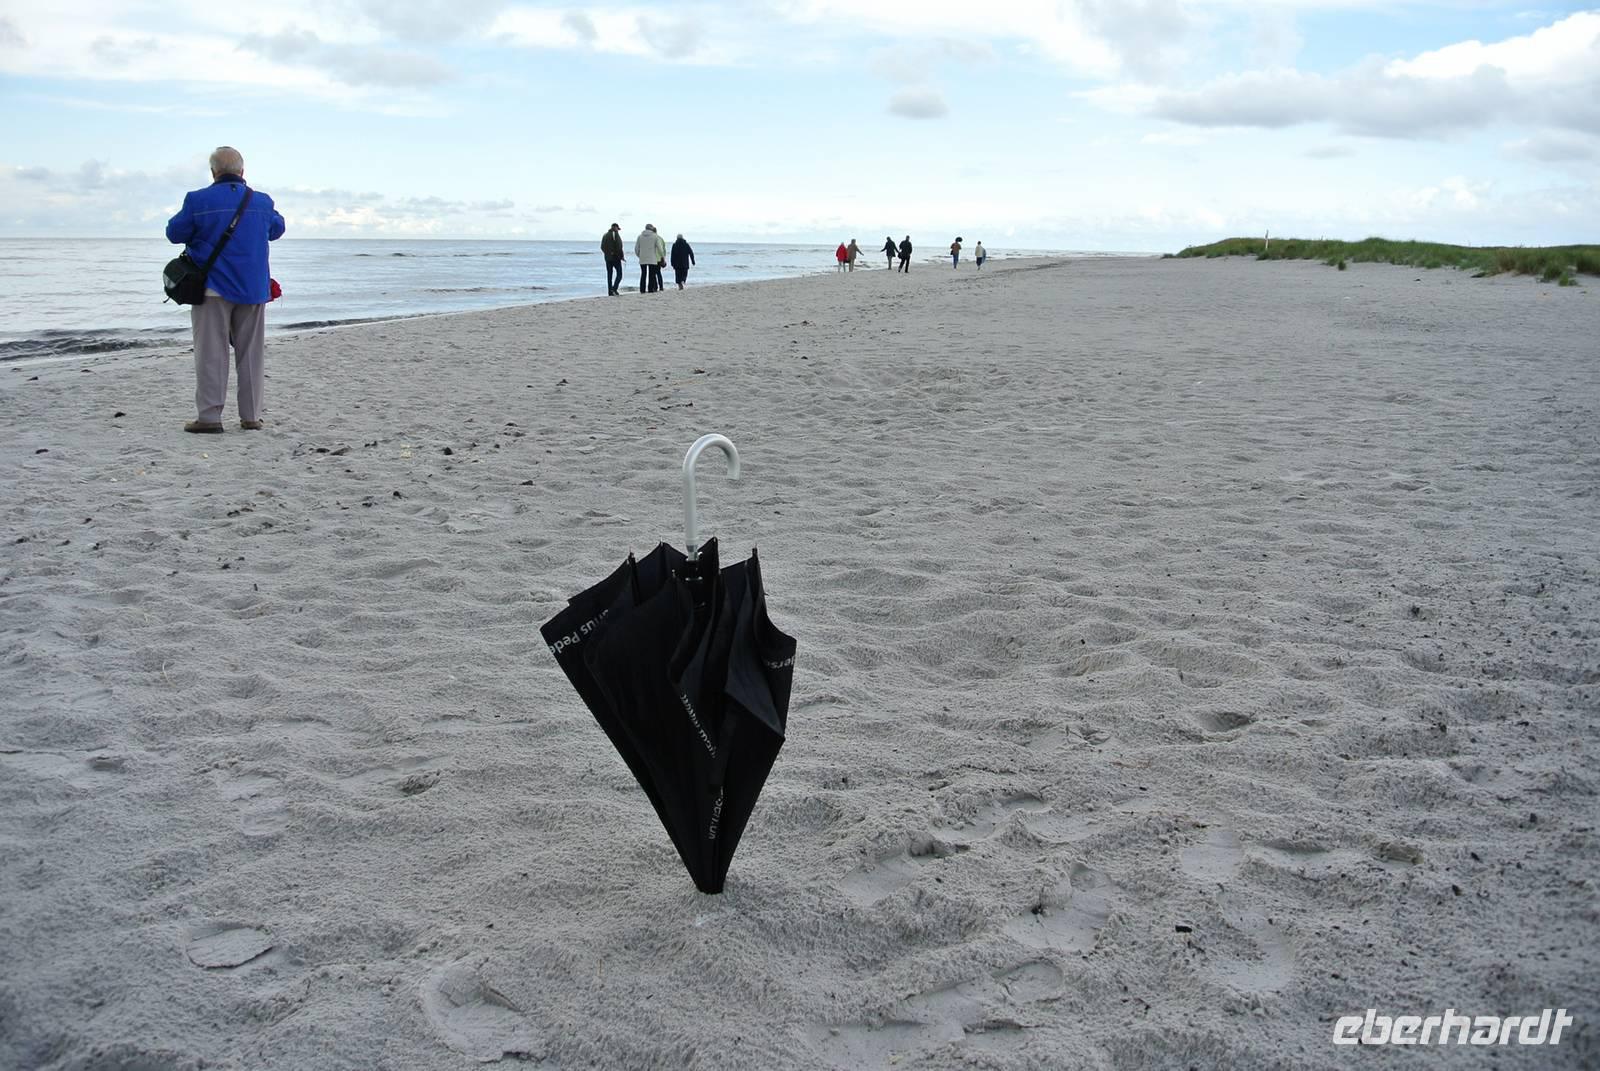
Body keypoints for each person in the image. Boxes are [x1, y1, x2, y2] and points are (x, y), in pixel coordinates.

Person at [165, 146, 285, 433]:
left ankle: (210, 417)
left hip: (212, 288)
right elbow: (277, 229)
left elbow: (174, 233)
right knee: (251, 354)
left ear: (213, 172)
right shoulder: (262, 201)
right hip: (252, 288)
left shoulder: (197, 200)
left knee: (211, 354)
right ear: (242, 171)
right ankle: (251, 416)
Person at [601, 223, 625, 295]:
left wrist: (607, 253)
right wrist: (621, 256)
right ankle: (614, 289)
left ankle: (610, 291)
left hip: (607, 258)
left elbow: (602, 247)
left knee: (609, 275)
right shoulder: (615, 234)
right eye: (617, 228)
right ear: (616, 228)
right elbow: (619, 246)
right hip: (615, 258)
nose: (618, 230)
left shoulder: (605, 235)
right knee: (619, 274)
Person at [635, 224, 659, 293]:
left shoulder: (640, 237)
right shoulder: (655, 236)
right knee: (651, 275)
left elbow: (636, 248)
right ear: (651, 228)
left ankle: (642, 289)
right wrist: (662, 256)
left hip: (643, 258)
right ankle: (650, 289)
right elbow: (659, 247)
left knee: (643, 274)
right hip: (652, 258)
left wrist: (639, 255)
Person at [653, 228, 667, 293]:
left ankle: (655, 287)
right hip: (659, 258)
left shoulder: (652, 239)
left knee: (653, 274)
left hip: (653, 258)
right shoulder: (661, 238)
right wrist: (663, 257)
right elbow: (664, 249)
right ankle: (661, 287)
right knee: (658, 273)